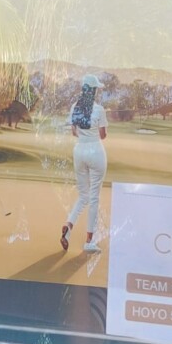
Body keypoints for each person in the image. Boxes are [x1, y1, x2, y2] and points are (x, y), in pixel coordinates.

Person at [61, 74, 108, 255]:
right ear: (94, 91)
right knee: (94, 197)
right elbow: (103, 135)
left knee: (83, 196)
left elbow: (74, 132)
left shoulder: (75, 107)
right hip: (95, 151)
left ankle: (69, 226)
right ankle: (89, 241)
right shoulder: (99, 109)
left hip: (79, 151)